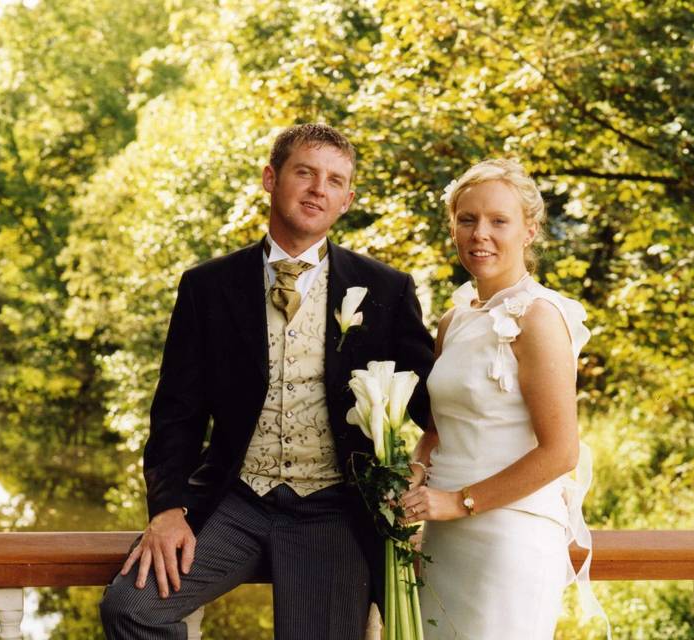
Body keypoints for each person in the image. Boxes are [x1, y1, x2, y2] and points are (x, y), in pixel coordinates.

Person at [100, 123, 435, 639]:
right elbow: (177, 415)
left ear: (347, 199)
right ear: (270, 179)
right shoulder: (207, 286)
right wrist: (167, 509)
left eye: (334, 180)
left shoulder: (385, 288)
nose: (318, 188)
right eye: (305, 173)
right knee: (132, 606)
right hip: (235, 502)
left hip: (334, 510)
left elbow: (432, 405)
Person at [402, 159, 608, 638]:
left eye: (499, 221)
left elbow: (561, 452)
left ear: (529, 231)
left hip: (508, 538)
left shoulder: (539, 318)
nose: (480, 234)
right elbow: (437, 430)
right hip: (441, 535)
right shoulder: (454, 320)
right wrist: (411, 479)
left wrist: (460, 502)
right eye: (467, 219)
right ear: (452, 227)